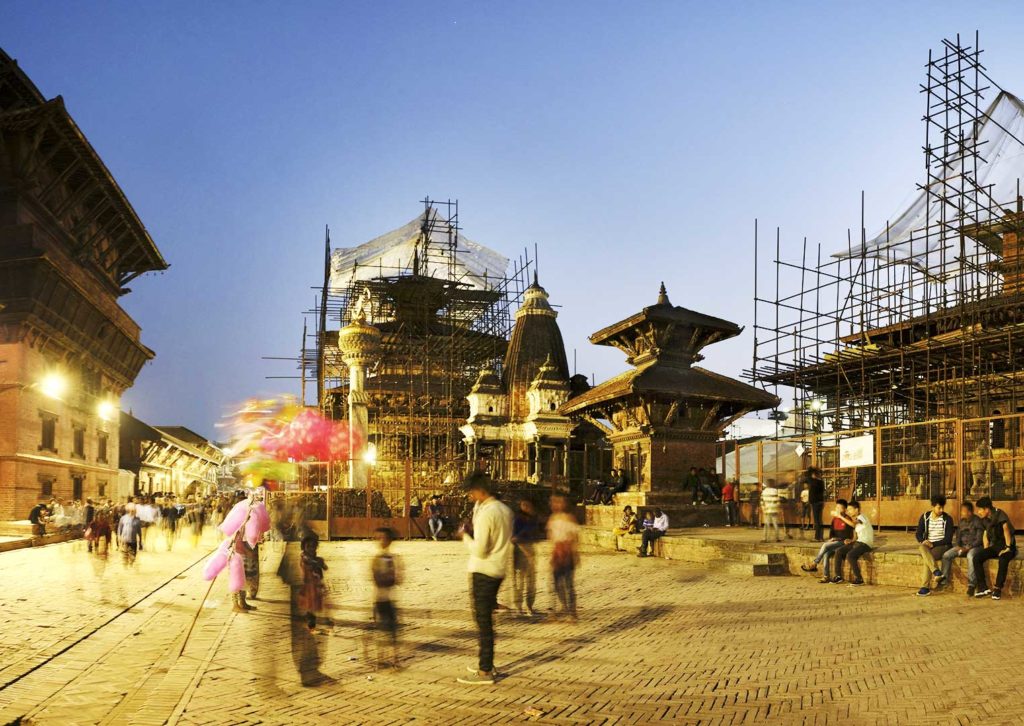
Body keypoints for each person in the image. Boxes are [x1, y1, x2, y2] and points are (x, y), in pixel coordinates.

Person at [457, 472, 513, 686]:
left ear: (479, 490)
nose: (470, 496)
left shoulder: (488, 513)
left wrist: (465, 537)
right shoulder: (504, 509)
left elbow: (480, 550)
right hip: (498, 569)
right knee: (485, 620)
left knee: (483, 622)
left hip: (483, 569)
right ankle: (487, 662)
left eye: (471, 492)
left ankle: (485, 670)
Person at [973, 497, 1017, 600]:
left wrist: (1008, 547)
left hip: (1008, 544)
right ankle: (983, 587)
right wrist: (986, 550)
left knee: (1003, 559)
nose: (978, 512)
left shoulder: (999, 514)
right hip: (996, 545)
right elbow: (985, 535)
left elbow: (1006, 530)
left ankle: (997, 589)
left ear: (987, 509)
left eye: (980, 509)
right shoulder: (984, 519)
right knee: (977, 557)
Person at [939, 501, 984, 596]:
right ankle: (944, 582)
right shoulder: (962, 522)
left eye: (963, 511)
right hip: (962, 547)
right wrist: (958, 545)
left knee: (970, 556)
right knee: (946, 555)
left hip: (974, 547)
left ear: (970, 512)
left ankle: (971, 585)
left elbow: (979, 539)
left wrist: (967, 548)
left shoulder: (977, 521)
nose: (961, 513)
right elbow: (958, 536)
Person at [371, 527, 401, 667]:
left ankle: (395, 658)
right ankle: (380, 658)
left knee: (392, 630)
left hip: (389, 599)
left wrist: (392, 575)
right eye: (379, 538)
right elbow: (375, 577)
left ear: (389, 541)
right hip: (379, 599)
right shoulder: (377, 559)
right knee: (381, 629)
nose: (381, 541)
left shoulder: (393, 559)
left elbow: (398, 579)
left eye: (384, 538)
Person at [801, 499, 851, 581]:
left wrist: (836, 539)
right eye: (836, 507)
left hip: (843, 542)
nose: (837, 509)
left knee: (825, 545)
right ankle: (826, 576)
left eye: (840, 508)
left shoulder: (847, 519)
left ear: (845, 509)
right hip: (835, 542)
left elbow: (847, 535)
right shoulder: (835, 519)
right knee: (826, 554)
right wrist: (832, 538)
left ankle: (814, 563)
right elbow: (832, 532)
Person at [547, 494, 580, 621]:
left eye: (559, 502)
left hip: (567, 552)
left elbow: (575, 537)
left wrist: (575, 553)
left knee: (568, 584)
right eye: (554, 502)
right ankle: (556, 610)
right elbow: (551, 537)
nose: (556, 505)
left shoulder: (569, 518)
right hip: (557, 552)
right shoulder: (553, 518)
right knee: (554, 584)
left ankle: (572, 612)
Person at [915, 495, 954, 596]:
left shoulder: (947, 519)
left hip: (942, 545)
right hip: (928, 545)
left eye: (942, 508)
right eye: (938, 508)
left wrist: (933, 544)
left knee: (927, 559)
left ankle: (925, 587)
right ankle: (936, 571)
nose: (941, 510)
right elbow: (918, 533)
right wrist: (923, 541)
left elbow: (948, 539)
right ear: (933, 506)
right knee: (921, 547)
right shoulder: (925, 517)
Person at [831, 501, 873, 585]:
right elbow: (856, 537)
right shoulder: (856, 519)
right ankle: (838, 576)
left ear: (856, 510)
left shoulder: (862, 517)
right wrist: (851, 541)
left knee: (850, 555)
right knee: (838, 551)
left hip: (865, 544)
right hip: (858, 542)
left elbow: (853, 525)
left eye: (850, 509)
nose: (848, 511)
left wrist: (840, 516)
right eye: (848, 509)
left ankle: (859, 579)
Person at [511, 499, 539, 616]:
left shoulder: (533, 519)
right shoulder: (517, 519)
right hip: (520, 551)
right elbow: (513, 538)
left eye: (528, 505)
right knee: (519, 581)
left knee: (531, 581)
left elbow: (535, 535)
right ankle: (518, 606)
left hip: (530, 550)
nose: (526, 507)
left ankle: (529, 606)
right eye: (523, 505)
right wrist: (525, 551)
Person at [298, 532, 327, 628]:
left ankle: (310, 615)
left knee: (314, 600)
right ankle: (310, 617)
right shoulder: (304, 557)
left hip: (315, 583)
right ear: (304, 547)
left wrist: (322, 564)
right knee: (310, 600)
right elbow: (309, 562)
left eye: (313, 546)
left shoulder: (316, 557)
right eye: (308, 546)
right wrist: (318, 563)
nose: (311, 549)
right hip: (308, 583)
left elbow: (321, 564)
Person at [805, 467, 826, 541]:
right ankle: (821, 537)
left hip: (815, 503)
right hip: (820, 502)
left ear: (813, 474)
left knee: (817, 521)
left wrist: (812, 469)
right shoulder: (821, 482)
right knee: (819, 520)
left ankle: (817, 537)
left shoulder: (813, 481)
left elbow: (807, 475)